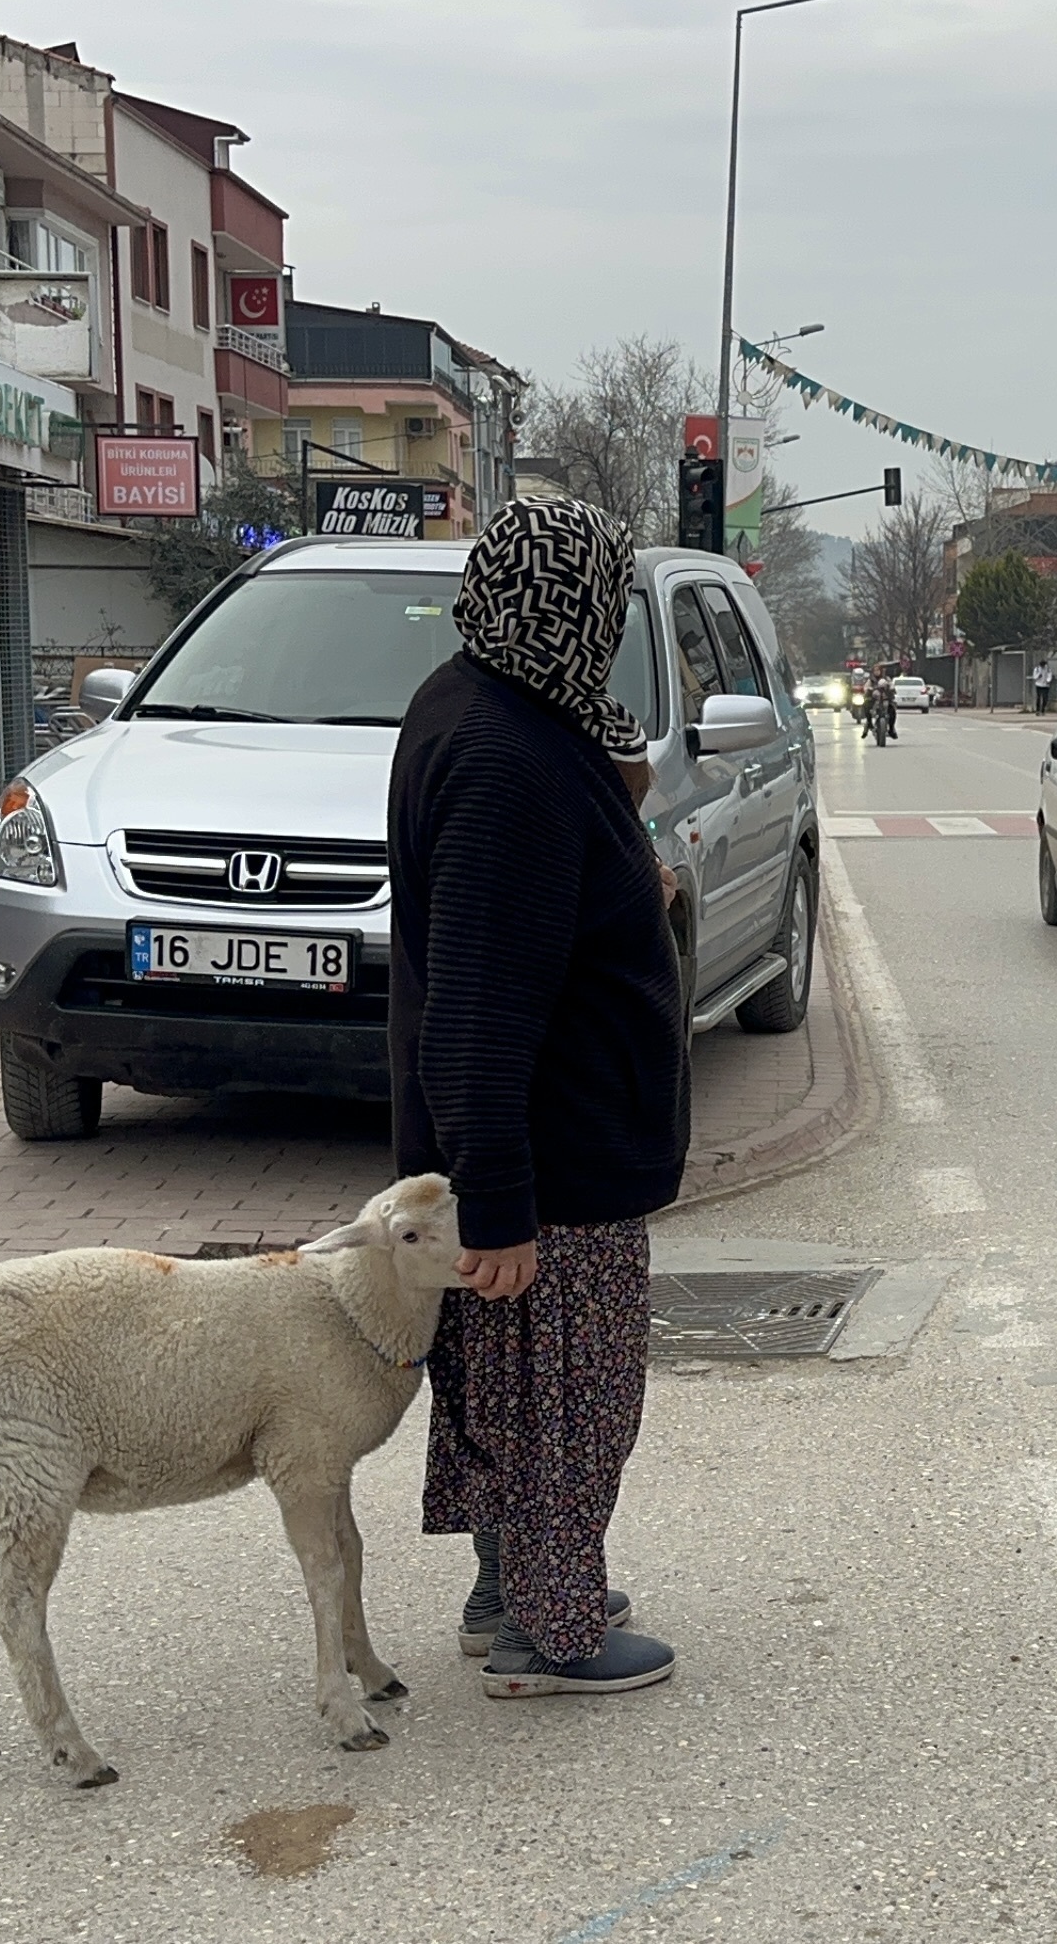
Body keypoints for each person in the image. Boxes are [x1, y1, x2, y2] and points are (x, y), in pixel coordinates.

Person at [389, 496, 688, 1698]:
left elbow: (524, 917)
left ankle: (510, 1588)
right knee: (569, 1401)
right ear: (575, 608)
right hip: (546, 1159)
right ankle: (548, 1634)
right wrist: (500, 1203)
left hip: (522, 1143)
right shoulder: (509, 755)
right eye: (605, 604)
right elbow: (477, 1001)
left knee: (510, 1393)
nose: (609, 626)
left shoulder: (480, 699)